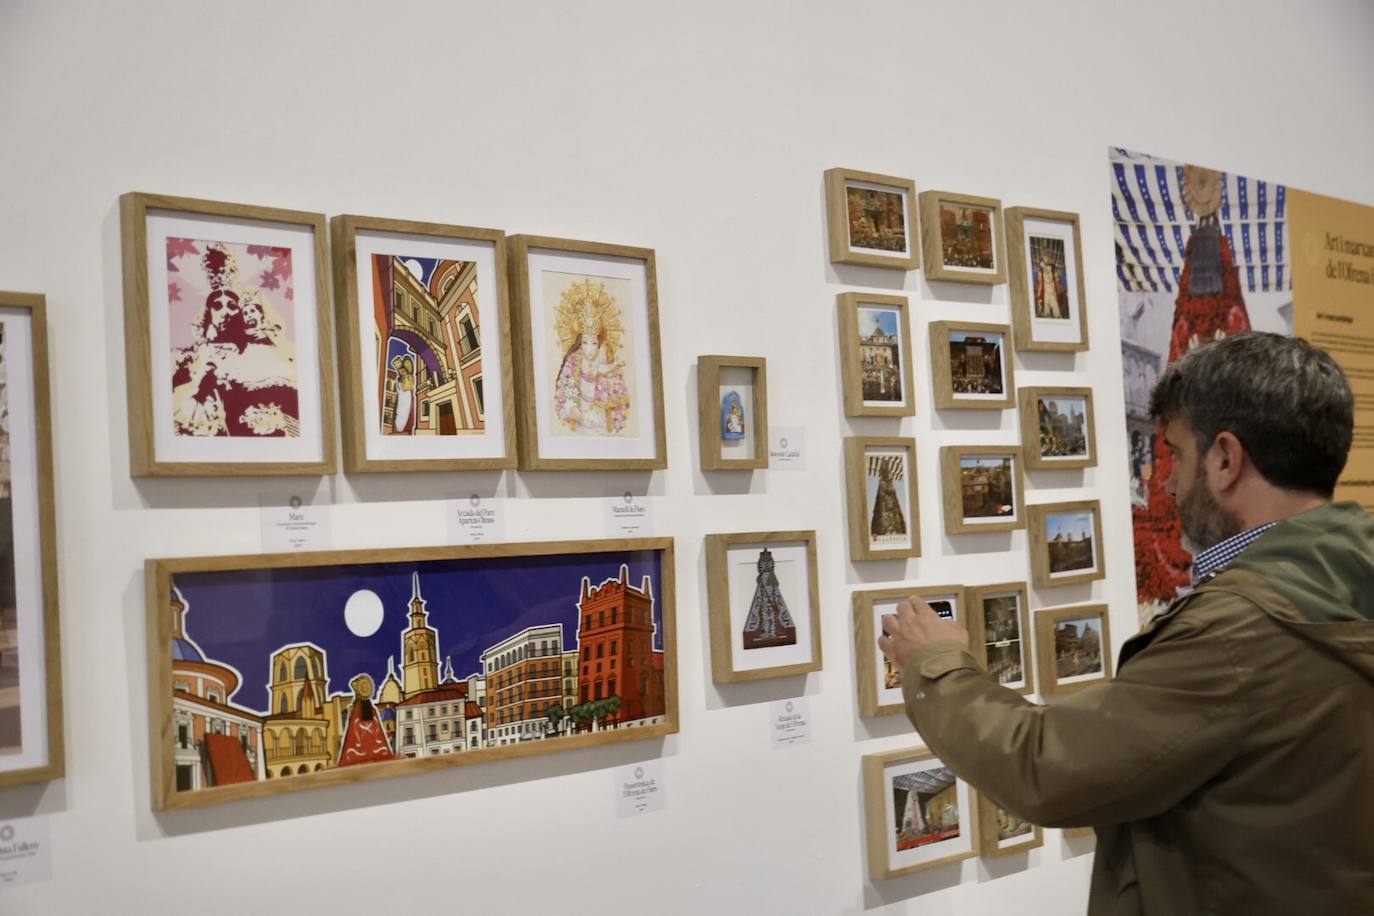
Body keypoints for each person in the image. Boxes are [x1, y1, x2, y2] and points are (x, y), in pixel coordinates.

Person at [879, 331, 1374, 914]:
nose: (1166, 482)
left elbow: (1045, 768)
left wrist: (935, 665)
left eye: (1177, 454)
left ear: (1225, 459)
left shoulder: (1235, 634)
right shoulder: (1344, 577)